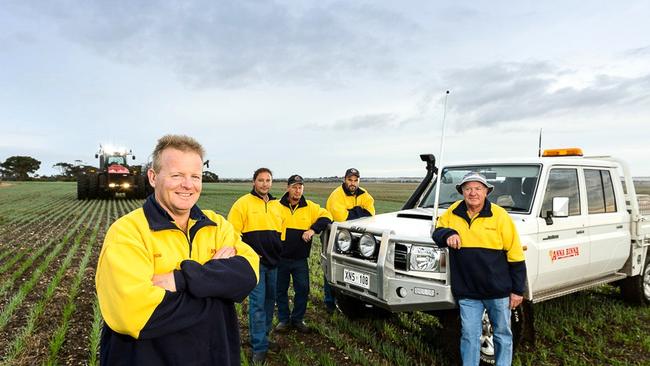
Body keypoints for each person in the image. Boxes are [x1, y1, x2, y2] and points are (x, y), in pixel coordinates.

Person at [95, 134, 259, 366]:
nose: (188, 185)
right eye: (177, 175)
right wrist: (216, 294)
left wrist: (180, 279)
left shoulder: (217, 224)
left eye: (195, 176)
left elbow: (248, 274)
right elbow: (134, 315)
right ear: (153, 177)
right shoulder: (127, 232)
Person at [431, 172, 527, 366]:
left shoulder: (500, 216)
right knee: (469, 335)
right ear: (462, 192)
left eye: (477, 188)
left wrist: (518, 290)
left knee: (502, 334)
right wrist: (448, 234)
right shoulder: (453, 211)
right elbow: (437, 230)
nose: (473, 193)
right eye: (468, 189)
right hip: (467, 291)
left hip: (497, 291)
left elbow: (515, 255)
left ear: (486, 192)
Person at [227, 168, 283, 364]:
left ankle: (262, 339)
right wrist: (249, 253)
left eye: (268, 180)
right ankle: (259, 347)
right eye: (261, 180)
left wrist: (279, 249)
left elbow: (280, 231)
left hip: (274, 263)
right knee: (257, 305)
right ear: (254, 182)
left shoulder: (277, 205)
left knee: (269, 302)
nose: (265, 184)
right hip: (255, 264)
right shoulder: (242, 204)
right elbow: (232, 234)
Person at [275, 174, 332, 333]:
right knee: (280, 290)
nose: (297, 190)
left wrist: (313, 229)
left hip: (300, 259)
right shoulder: (276, 206)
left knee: (303, 289)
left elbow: (327, 216)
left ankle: (298, 319)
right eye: (294, 187)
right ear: (288, 188)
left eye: (300, 187)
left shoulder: (311, 207)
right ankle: (284, 320)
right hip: (281, 258)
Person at [323, 168, 375, 313]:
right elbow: (342, 218)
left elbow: (371, 213)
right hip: (335, 236)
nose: (352, 183)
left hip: (354, 238)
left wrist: (352, 212)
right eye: (350, 180)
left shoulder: (364, 194)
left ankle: (351, 301)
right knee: (331, 267)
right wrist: (359, 211)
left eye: (355, 180)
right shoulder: (336, 195)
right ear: (344, 179)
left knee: (352, 268)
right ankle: (329, 302)